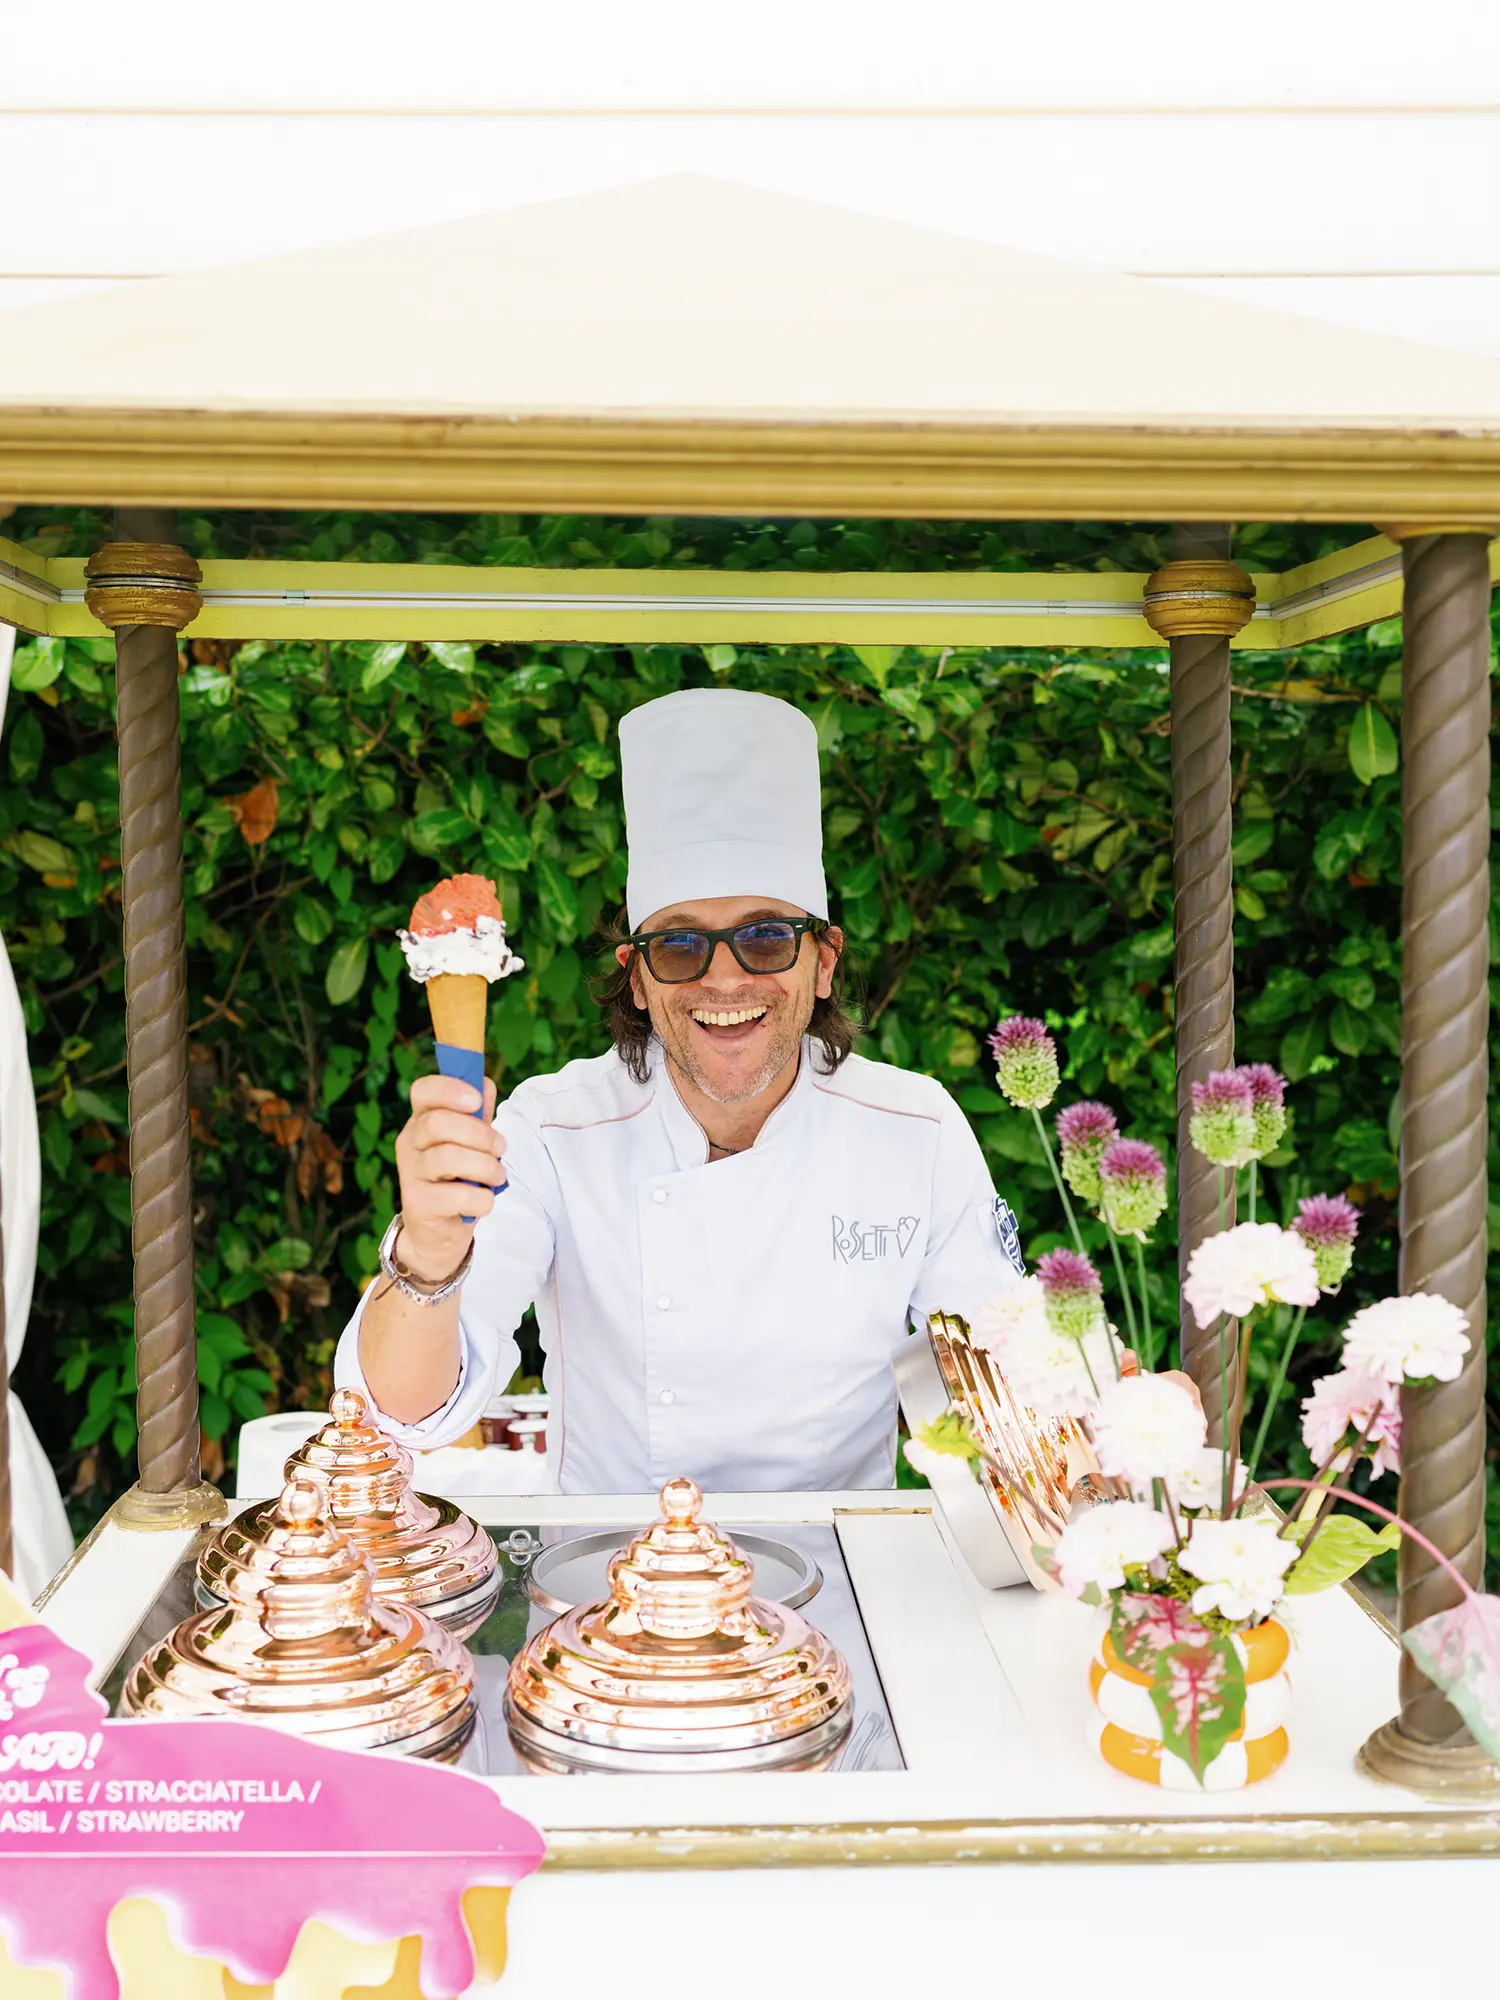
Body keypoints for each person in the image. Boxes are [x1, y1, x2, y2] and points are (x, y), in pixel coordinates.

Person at [335, 687, 1025, 1493]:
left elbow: (1005, 1390)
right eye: (680, 945)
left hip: (840, 1567)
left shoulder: (915, 1130)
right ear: (637, 978)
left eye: (766, 937)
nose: (724, 979)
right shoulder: (553, 1133)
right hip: (611, 1565)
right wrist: (427, 1250)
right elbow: (405, 1415)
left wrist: (1098, 1419)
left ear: (824, 961)